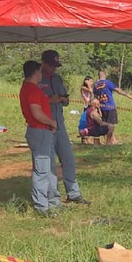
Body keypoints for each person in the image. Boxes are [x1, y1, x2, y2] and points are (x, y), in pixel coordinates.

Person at [38, 49, 89, 205]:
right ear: (43, 63)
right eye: (51, 65)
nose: (54, 68)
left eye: (56, 66)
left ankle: (73, 193)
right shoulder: (36, 79)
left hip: (60, 124)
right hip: (44, 126)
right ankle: (54, 198)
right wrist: (50, 100)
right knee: (50, 164)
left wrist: (63, 100)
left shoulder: (57, 79)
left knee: (68, 158)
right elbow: (34, 102)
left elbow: (64, 98)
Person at [19, 60, 60, 215]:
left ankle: (52, 200)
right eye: (40, 72)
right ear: (36, 72)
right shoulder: (32, 90)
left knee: (49, 168)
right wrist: (52, 122)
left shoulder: (29, 88)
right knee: (42, 170)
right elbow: (36, 113)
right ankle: (41, 206)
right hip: (40, 131)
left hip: (43, 131)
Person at [92, 69, 132, 146]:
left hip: (101, 107)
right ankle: (109, 141)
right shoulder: (108, 83)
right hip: (110, 106)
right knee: (111, 124)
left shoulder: (95, 85)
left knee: (105, 124)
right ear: (105, 75)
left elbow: (95, 97)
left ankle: (112, 139)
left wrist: (98, 108)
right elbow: (118, 90)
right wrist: (127, 95)